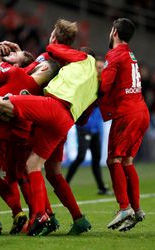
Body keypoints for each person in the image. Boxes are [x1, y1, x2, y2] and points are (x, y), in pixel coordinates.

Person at [0, 19, 96, 236]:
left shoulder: (46, 61)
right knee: (37, 170)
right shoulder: (80, 75)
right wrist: (19, 56)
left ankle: (28, 216)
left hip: (30, 117)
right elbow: (84, 116)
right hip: (50, 123)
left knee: (7, 168)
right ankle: (56, 216)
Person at [99, 18, 150, 231]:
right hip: (141, 111)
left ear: (115, 32)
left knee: (114, 160)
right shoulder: (131, 54)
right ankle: (137, 210)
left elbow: (104, 86)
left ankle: (124, 207)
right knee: (127, 161)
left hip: (127, 113)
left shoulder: (115, 54)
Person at [66, 55, 110, 195]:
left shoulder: (103, 84)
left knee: (96, 159)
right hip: (84, 126)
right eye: (98, 67)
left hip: (96, 127)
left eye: (102, 68)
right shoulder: (88, 84)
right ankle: (64, 184)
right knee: (80, 157)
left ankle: (101, 187)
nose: (100, 70)